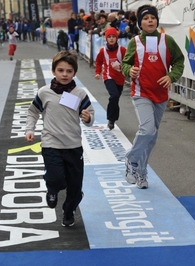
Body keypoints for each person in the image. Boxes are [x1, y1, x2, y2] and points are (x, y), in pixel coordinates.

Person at [25, 50, 95, 227]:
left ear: (74, 73)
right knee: (56, 178)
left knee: (75, 188)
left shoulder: (79, 94)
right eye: (61, 70)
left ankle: (69, 211)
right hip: (51, 144)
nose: (65, 74)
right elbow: (33, 112)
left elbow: (89, 114)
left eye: (69, 71)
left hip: (73, 146)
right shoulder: (44, 92)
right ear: (54, 71)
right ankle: (52, 189)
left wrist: (88, 118)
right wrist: (29, 129)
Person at [121, 5, 185, 189]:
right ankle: (131, 159)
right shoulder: (135, 42)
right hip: (141, 93)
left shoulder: (167, 40)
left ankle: (141, 173)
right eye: (146, 18)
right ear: (140, 23)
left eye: (152, 18)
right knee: (147, 130)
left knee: (152, 137)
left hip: (161, 95)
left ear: (157, 20)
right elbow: (126, 63)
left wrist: (171, 76)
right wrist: (129, 70)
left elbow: (179, 61)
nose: (150, 21)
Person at [94, 27, 126, 130]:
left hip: (120, 78)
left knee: (115, 99)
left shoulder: (122, 50)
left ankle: (112, 120)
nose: (111, 39)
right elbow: (98, 62)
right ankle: (111, 119)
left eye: (113, 37)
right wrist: (98, 73)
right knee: (114, 95)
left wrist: (121, 67)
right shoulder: (103, 51)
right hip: (108, 77)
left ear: (117, 38)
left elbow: (128, 62)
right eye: (109, 37)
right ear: (106, 39)